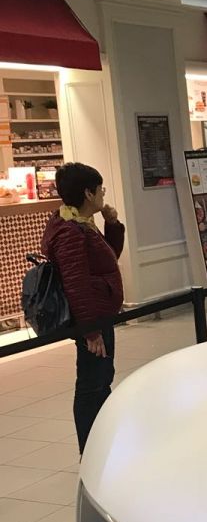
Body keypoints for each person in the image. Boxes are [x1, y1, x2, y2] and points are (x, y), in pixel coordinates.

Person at [41, 163, 126, 454]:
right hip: (92, 319)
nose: (104, 193)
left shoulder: (81, 224)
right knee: (93, 384)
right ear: (88, 193)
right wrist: (91, 331)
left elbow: (107, 260)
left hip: (99, 313)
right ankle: (91, 450)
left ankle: (102, 444)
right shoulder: (70, 232)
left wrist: (112, 225)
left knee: (101, 379)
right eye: (100, 188)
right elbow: (76, 282)